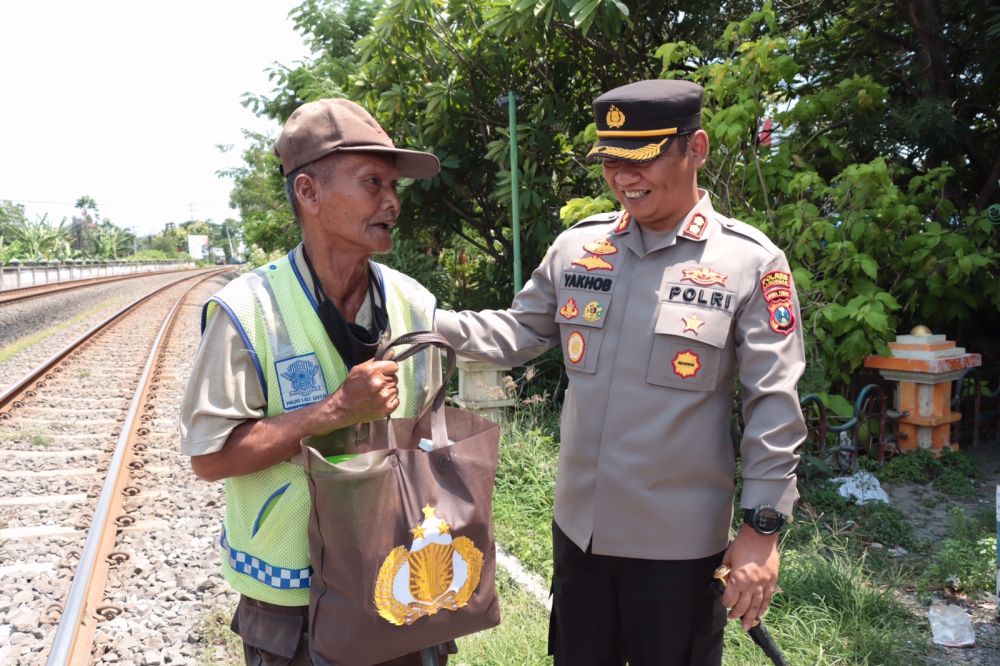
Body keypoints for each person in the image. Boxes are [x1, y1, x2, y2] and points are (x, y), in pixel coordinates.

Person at [434, 79, 807, 665]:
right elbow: (518, 331)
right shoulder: (578, 248)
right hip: (579, 536)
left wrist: (762, 530)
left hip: (678, 553)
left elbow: (773, 404)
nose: (624, 176)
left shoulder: (749, 263)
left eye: (645, 158)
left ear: (697, 148)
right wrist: (423, 323)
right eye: (611, 160)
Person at [180, 98, 454, 665]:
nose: (392, 202)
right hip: (292, 601)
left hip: (401, 578)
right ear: (308, 192)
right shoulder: (245, 312)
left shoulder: (413, 302)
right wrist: (332, 413)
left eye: (393, 185)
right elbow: (209, 459)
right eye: (372, 182)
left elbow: (431, 435)